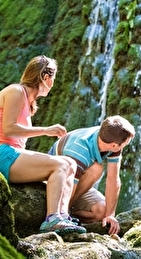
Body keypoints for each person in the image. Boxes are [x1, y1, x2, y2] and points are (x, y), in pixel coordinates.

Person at [0, 55, 86, 234]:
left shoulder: (29, 102)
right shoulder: (16, 91)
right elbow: (8, 129)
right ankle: (52, 218)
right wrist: (46, 130)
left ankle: (62, 216)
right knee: (61, 164)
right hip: (3, 153)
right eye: (53, 78)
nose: (53, 83)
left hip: (11, 153)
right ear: (45, 78)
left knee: (70, 163)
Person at [48, 115, 135, 235]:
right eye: (126, 143)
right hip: (57, 183)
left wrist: (110, 215)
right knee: (96, 168)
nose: (126, 144)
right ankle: (62, 216)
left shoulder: (110, 138)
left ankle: (71, 214)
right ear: (114, 145)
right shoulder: (79, 150)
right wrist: (64, 213)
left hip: (78, 183)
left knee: (102, 212)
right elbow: (68, 185)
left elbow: (113, 178)